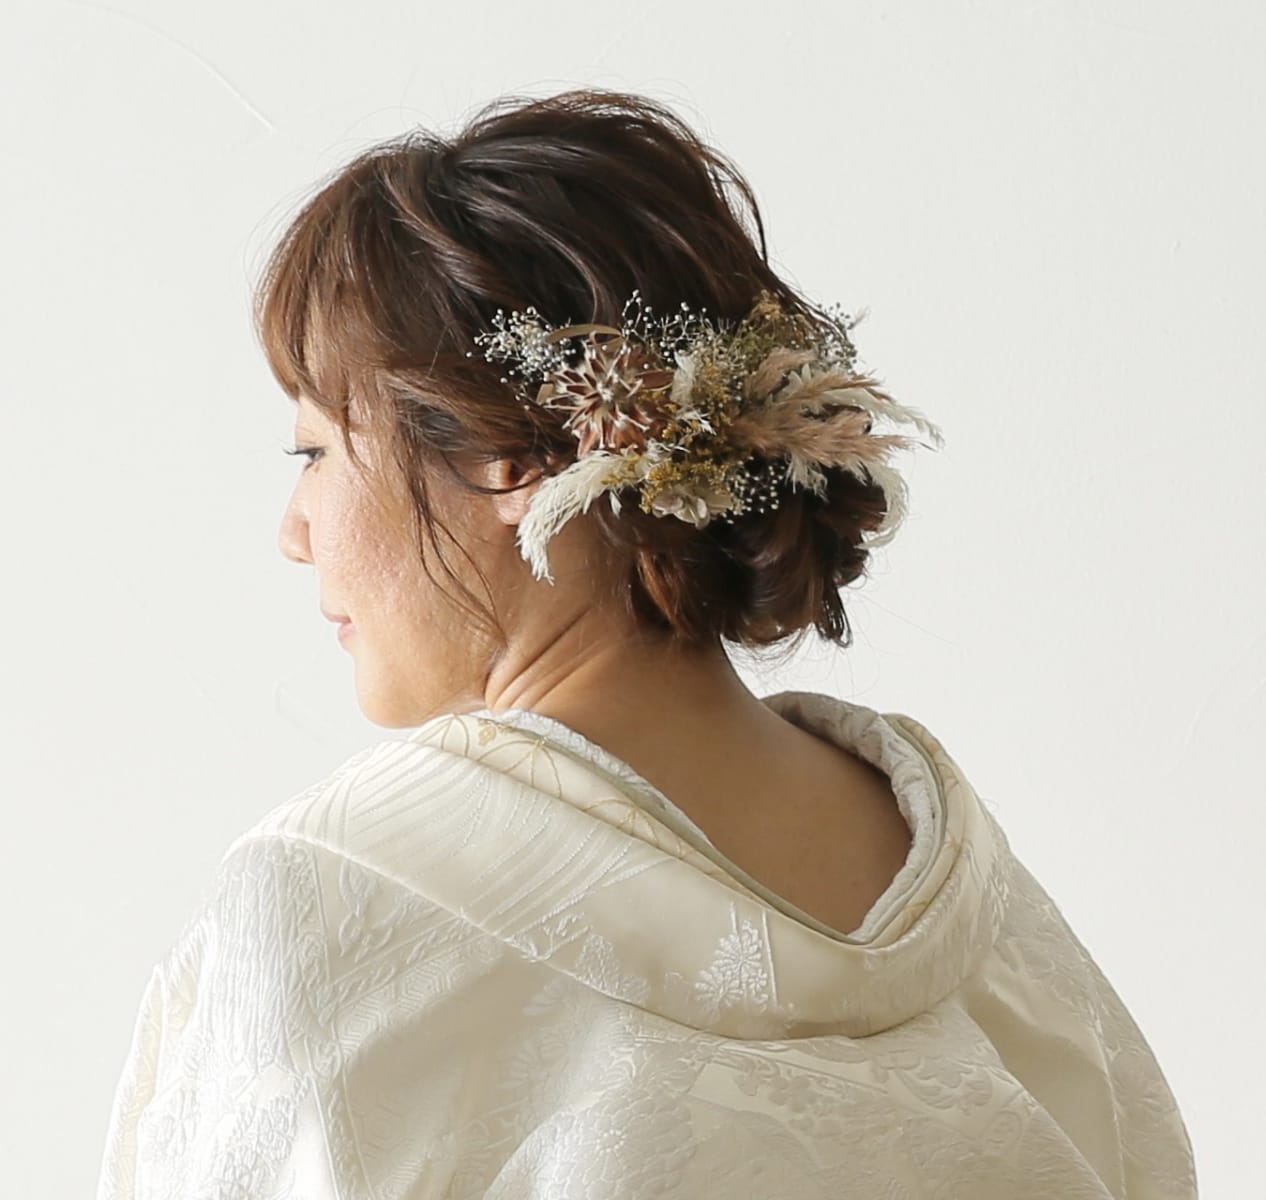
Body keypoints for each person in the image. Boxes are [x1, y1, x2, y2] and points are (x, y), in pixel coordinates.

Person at [94, 87, 1197, 1199]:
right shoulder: (986, 914)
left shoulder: (340, 908)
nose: (294, 533)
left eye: (315, 453)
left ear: (509, 459)